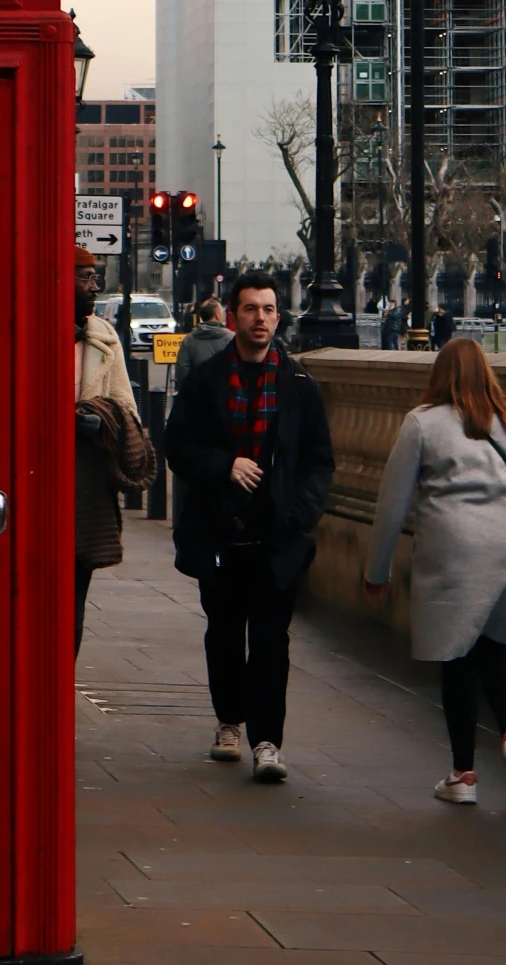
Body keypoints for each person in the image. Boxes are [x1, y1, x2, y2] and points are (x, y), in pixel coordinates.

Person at [364, 336, 506, 805]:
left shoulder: (422, 423)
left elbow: (392, 505)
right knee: (494, 648)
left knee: (457, 657)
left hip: (453, 546)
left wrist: (377, 570)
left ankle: (463, 775)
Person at [165, 269, 334, 784]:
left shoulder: (300, 385)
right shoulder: (206, 381)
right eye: (249, 309)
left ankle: (267, 741)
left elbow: (319, 461)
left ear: (277, 317)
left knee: (271, 643)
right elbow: (177, 447)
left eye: (267, 310)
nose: (259, 319)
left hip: (277, 536)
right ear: (231, 316)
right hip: (220, 532)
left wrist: (300, 515)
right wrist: (225, 465)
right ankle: (229, 721)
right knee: (223, 634)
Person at [76, 246, 152, 651]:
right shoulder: (28, 329)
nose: (95, 286)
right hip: (35, 484)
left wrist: (99, 421)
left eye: (95, 276)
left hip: (87, 488)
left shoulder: (105, 338)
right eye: (86, 277)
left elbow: (127, 411)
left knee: (74, 603)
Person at [171, 298, 233, 532]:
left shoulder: (190, 340)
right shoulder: (230, 339)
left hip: (198, 411)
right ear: (217, 315)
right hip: (226, 408)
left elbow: (182, 373)